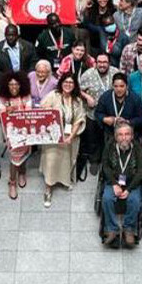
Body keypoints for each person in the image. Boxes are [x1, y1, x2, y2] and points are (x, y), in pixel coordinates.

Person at [39, 73, 86, 208]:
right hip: (53, 137)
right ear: (61, 83)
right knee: (52, 161)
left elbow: (79, 119)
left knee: (67, 160)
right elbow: (43, 111)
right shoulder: (54, 95)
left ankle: (64, 180)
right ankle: (48, 188)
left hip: (69, 136)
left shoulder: (77, 100)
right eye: (66, 82)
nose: (68, 85)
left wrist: (71, 136)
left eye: (71, 83)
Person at [100, 122, 142, 247]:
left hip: (132, 183)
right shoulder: (109, 146)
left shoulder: (137, 148)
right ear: (116, 137)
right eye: (120, 135)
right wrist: (114, 184)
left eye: (127, 134)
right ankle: (112, 229)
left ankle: (129, 229)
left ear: (132, 136)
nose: (124, 137)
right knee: (107, 198)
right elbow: (105, 166)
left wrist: (129, 189)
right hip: (114, 181)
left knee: (135, 200)